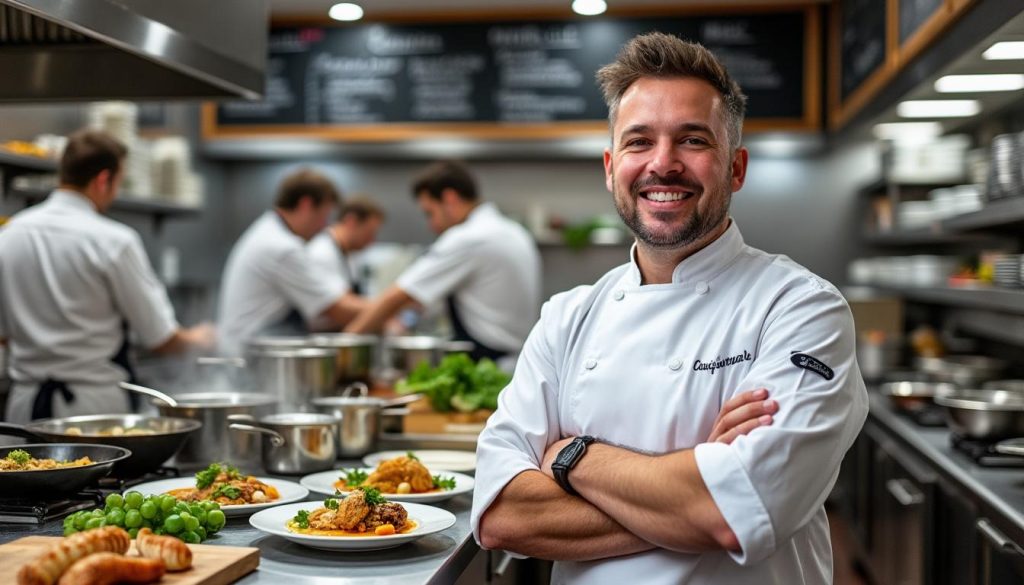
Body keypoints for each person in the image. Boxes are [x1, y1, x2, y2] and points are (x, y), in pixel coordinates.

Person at [471, 33, 869, 584]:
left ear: (735, 168)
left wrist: (572, 456)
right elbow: (501, 516)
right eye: (639, 141)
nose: (664, 164)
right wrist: (697, 485)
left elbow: (728, 516)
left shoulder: (802, 309)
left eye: (692, 140)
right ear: (612, 167)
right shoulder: (565, 320)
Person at [0, 129, 214, 422]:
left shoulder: (9, 235)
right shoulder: (114, 241)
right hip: (93, 412)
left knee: (24, 469)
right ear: (103, 179)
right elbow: (161, 339)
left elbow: (3, 337)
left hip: (22, 408)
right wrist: (202, 338)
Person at [345, 161, 541, 363]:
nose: (432, 226)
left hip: (487, 363)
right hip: (514, 360)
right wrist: (404, 321)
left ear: (450, 198)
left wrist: (345, 344)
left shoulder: (468, 237)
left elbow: (397, 296)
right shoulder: (512, 230)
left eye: (430, 213)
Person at [217, 168, 367, 355]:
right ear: (306, 205)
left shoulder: (269, 231)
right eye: (323, 216)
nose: (324, 226)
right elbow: (338, 309)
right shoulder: (281, 247)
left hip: (254, 351)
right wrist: (393, 303)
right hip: (250, 359)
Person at [307, 195, 386, 297]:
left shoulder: (350, 253)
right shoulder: (321, 254)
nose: (371, 241)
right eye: (369, 233)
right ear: (351, 221)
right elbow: (336, 304)